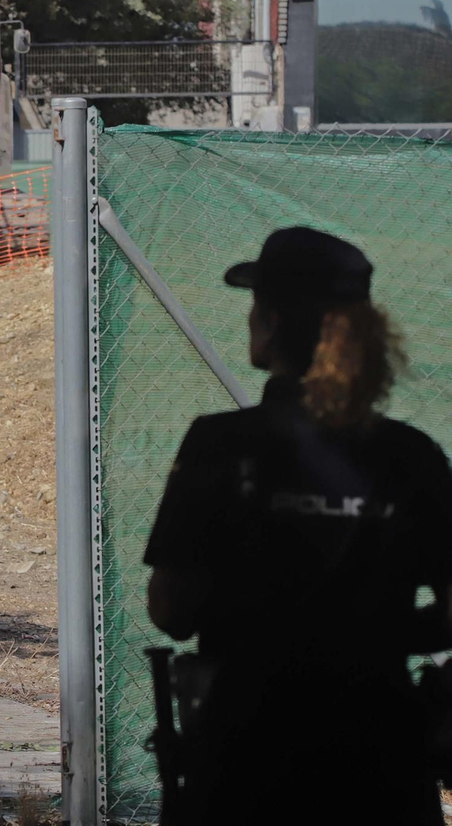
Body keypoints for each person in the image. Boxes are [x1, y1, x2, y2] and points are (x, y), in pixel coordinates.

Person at [144, 226, 452, 824]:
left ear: (274, 321)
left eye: (256, 303)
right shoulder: (412, 456)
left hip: (242, 756)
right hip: (384, 759)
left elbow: (170, 610)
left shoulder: (220, 444)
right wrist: (372, 633)